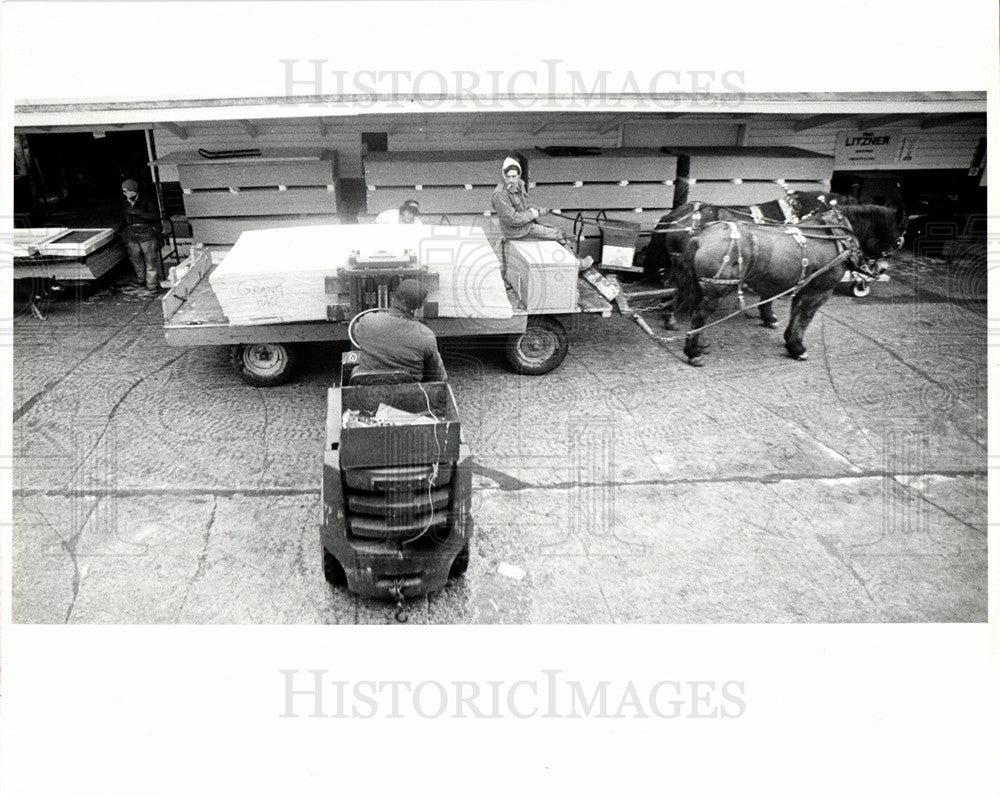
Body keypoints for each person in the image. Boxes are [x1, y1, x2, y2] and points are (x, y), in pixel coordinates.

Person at [351, 279, 447, 383]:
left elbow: (357, 335)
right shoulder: (426, 335)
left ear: (393, 298)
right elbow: (439, 377)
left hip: (368, 392)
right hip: (409, 394)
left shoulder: (367, 321)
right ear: (419, 308)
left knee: (355, 370)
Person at [491, 156, 567, 243]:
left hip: (524, 226)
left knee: (557, 229)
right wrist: (532, 214)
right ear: (504, 176)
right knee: (558, 233)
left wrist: (544, 210)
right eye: (508, 177)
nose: (511, 180)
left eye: (514, 176)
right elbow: (513, 219)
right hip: (516, 232)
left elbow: (525, 205)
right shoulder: (500, 195)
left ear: (519, 175)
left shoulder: (518, 184)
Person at [119, 179, 163, 291]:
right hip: (132, 235)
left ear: (133, 191)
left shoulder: (147, 201)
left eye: (126, 191)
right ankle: (141, 280)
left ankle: (152, 285)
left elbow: (154, 217)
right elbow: (124, 219)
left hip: (147, 235)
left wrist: (137, 212)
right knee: (136, 259)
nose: (124, 194)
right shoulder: (124, 203)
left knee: (150, 260)